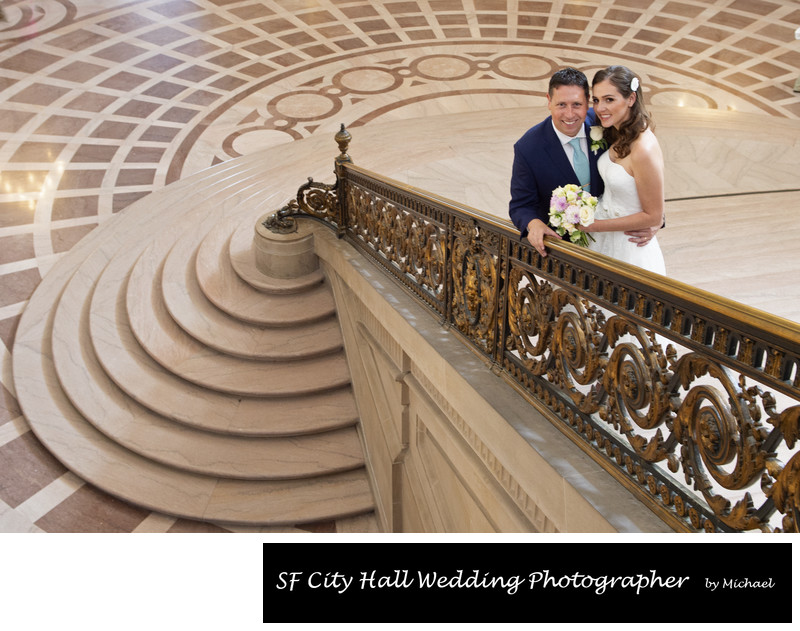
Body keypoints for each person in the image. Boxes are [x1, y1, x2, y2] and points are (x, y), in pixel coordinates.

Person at [509, 67, 601, 258]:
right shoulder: (528, 148)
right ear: (549, 102)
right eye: (561, 105)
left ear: (588, 103)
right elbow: (520, 205)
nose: (569, 114)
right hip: (565, 251)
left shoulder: (604, 124)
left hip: (612, 238)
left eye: (577, 104)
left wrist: (654, 220)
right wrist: (533, 223)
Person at [584, 65, 665, 275]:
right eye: (596, 99)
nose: (600, 108)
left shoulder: (643, 149)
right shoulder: (618, 130)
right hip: (603, 238)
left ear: (631, 99)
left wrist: (593, 226)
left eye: (609, 99)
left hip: (629, 246)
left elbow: (654, 216)